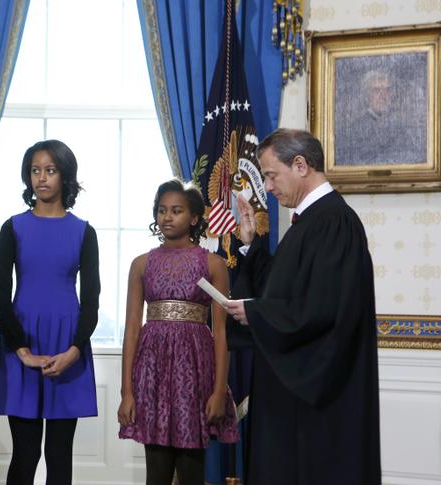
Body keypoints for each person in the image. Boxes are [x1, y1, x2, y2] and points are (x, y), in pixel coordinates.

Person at [224, 128, 381, 484]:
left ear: (300, 165)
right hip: (293, 398)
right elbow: (284, 292)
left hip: (316, 403)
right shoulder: (311, 222)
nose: (266, 186)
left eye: (269, 175)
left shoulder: (333, 222)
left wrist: (256, 313)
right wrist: (251, 245)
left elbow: (321, 308)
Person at [0, 139, 100, 485]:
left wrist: (73, 351)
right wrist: (22, 351)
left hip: (68, 347)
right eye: (35, 170)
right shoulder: (13, 227)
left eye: (50, 170)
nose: (42, 178)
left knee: (60, 456)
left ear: (65, 177)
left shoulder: (84, 232)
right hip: (22, 346)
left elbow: (91, 299)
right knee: (25, 453)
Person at [117, 179, 238, 485]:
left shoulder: (213, 264)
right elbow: (132, 330)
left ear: (194, 217)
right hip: (152, 373)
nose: (167, 217)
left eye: (176, 211)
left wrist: (219, 391)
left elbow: (221, 332)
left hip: (194, 377)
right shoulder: (141, 264)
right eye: (161, 211)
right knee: (156, 473)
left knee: (191, 472)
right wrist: (127, 392)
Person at [335, 69, 425, 165]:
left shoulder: (401, 129)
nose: (383, 95)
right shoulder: (353, 131)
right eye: (376, 90)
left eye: (387, 90)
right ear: (366, 96)